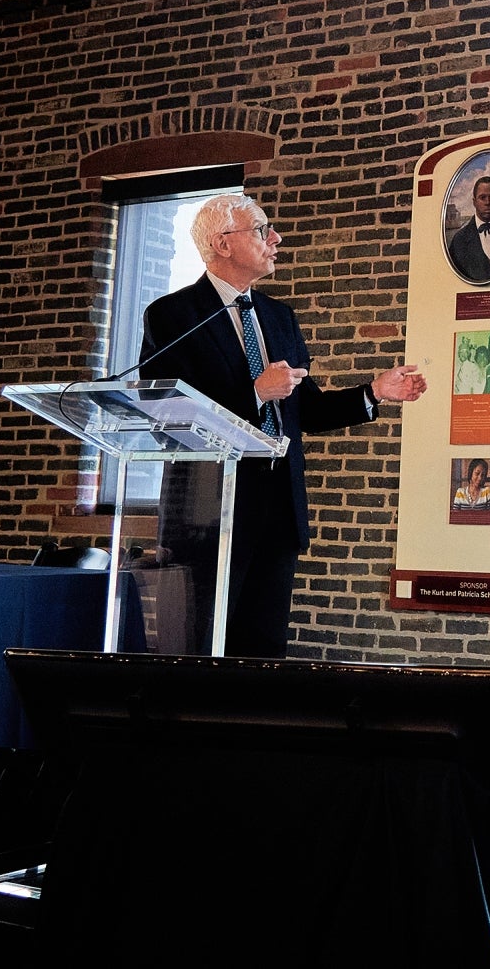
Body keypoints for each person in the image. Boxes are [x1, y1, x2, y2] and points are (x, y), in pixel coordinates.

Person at [141, 193, 426, 657]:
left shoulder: (279, 317)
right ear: (223, 243)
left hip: (277, 512)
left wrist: (373, 392)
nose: (275, 238)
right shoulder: (173, 316)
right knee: (200, 653)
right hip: (207, 515)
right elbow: (165, 414)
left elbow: (304, 411)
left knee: (264, 655)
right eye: (261, 229)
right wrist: (255, 392)